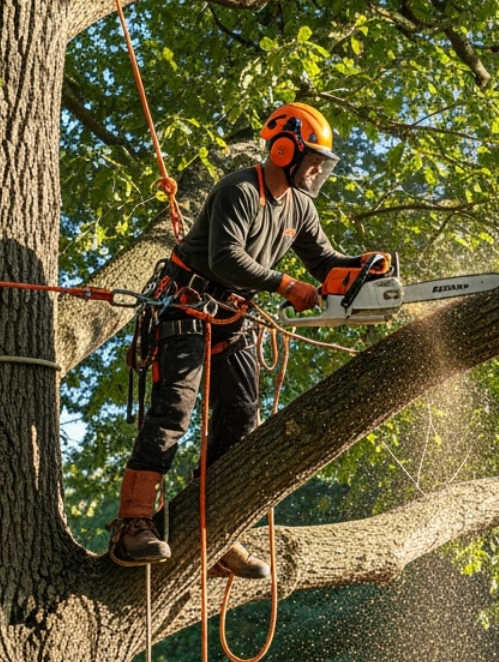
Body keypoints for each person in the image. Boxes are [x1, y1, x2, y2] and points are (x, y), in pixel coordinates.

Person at [108, 102, 389, 571]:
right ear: (283, 150)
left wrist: (358, 268)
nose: (318, 169)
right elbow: (224, 259)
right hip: (188, 303)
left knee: (241, 414)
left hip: (234, 315)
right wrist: (284, 284)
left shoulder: (301, 206)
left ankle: (214, 531)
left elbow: (322, 262)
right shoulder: (240, 190)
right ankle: (133, 523)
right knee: (176, 407)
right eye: (313, 158)